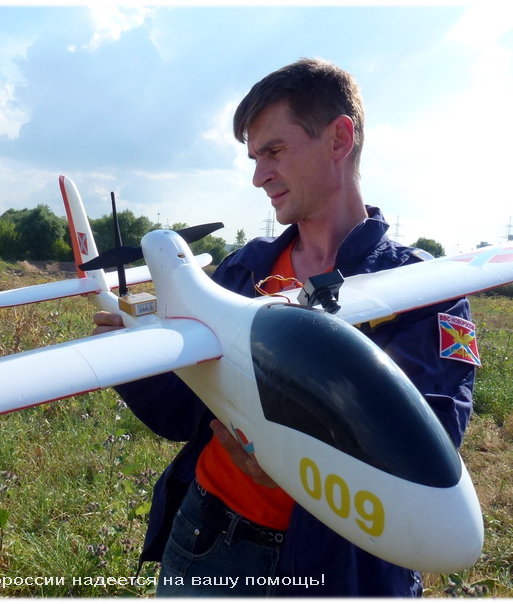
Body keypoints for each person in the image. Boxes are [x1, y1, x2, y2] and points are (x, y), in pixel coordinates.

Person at [93, 58, 477, 597]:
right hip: (207, 540)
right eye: (254, 158)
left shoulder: (423, 288)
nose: (258, 176)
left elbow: (429, 443)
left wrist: (290, 462)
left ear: (339, 139)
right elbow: (182, 415)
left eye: (273, 151)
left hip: (340, 570)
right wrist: (133, 358)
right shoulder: (242, 270)